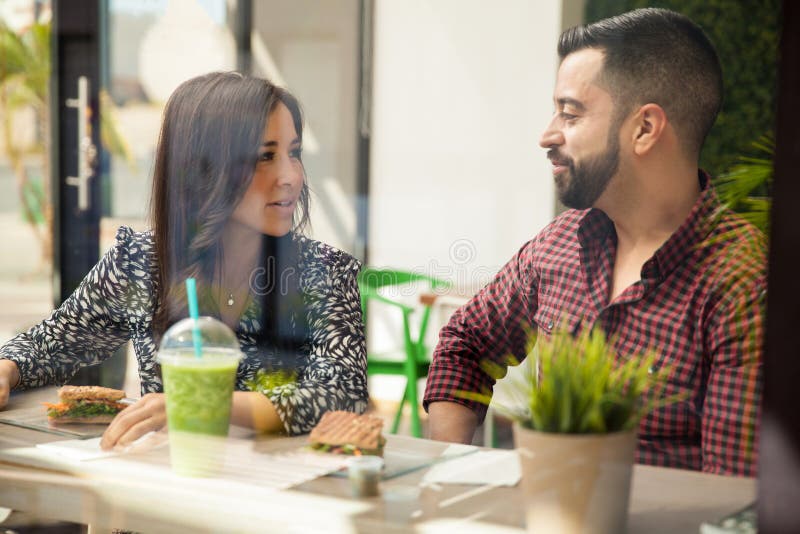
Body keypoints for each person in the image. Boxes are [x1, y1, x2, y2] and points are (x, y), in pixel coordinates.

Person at [424, 8, 765, 477]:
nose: (547, 135)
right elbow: (465, 344)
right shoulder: (559, 245)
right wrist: (448, 469)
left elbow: (733, 500)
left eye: (571, 113)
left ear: (644, 129)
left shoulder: (741, 282)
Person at [0, 72, 368, 448]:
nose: (291, 176)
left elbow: (341, 395)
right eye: (265, 157)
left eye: (294, 152)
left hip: (278, 494)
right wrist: (7, 370)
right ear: (203, 169)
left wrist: (196, 404)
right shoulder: (140, 263)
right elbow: (53, 343)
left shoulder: (323, 273)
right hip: (169, 487)